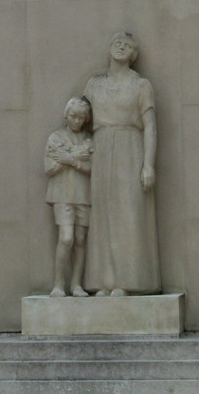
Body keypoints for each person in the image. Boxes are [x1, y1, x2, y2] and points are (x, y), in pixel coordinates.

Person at [83, 32, 160, 296]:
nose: (120, 45)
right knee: (102, 215)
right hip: (101, 148)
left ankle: (129, 282)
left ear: (133, 54)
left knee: (129, 215)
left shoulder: (141, 85)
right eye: (116, 41)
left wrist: (148, 164)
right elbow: (82, 123)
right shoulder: (93, 85)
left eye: (126, 44)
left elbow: (150, 126)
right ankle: (103, 281)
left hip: (130, 147)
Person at [44, 96, 94, 297]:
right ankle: (58, 284)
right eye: (73, 116)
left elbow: (92, 169)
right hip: (62, 194)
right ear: (67, 115)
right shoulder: (55, 138)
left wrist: (70, 160)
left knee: (80, 239)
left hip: (83, 194)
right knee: (66, 238)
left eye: (81, 117)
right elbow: (49, 168)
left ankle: (76, 285)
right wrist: (75, 156)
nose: (76, 121)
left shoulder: (89, 140)